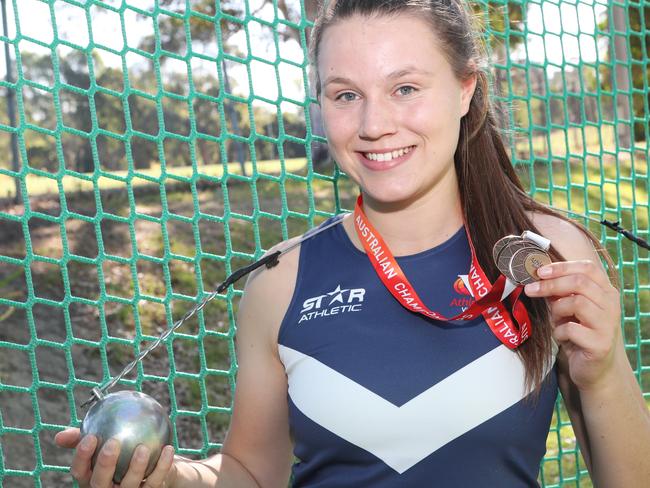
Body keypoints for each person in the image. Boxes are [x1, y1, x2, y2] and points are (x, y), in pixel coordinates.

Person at [55, 0, 650, 486]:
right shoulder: (279, 282)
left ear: (467, 91)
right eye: (345, 95)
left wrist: (602, 373)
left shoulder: (549, 253)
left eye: (406, 88)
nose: (373, 125)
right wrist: (174, 481)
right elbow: (249, 473)